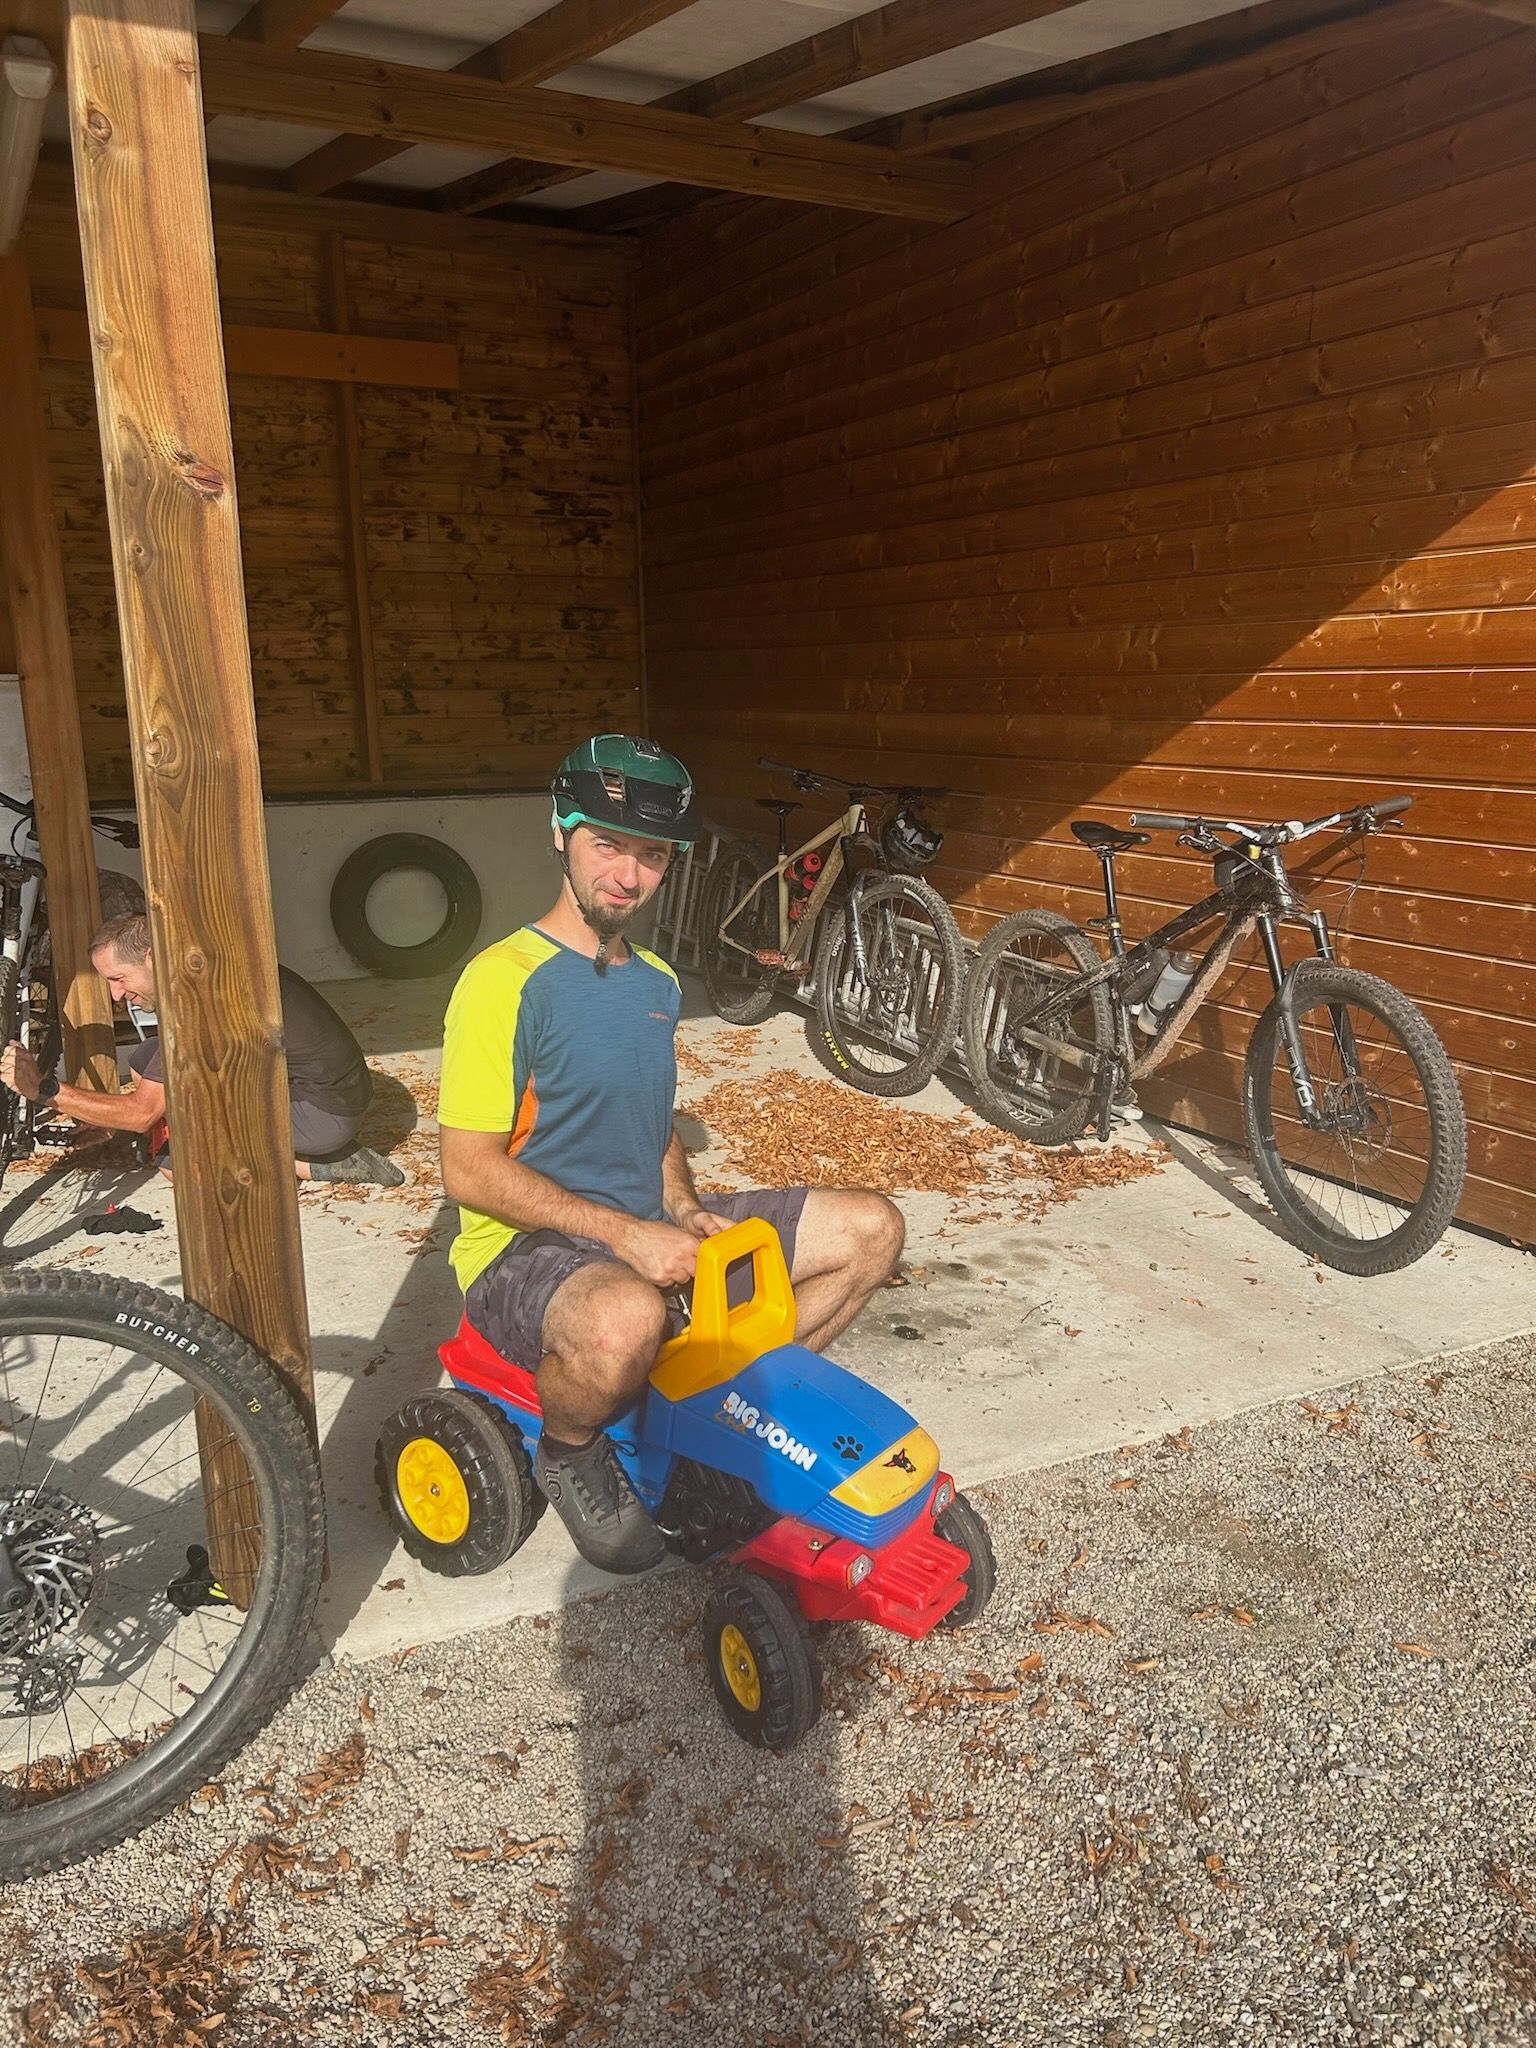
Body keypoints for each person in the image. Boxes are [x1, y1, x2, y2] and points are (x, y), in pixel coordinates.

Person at [438, 734, 905, 1578]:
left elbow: (650, 1127)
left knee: (872, 1229)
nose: (628, 875)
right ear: (560, 832)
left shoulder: (656, 981)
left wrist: (683, 1208)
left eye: (651, 855)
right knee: (624, 1319)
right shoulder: (501, 980)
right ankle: (571, 1448)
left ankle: (722, 1410)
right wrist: (626, 1236)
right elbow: (467, 1169)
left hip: (648, 1225)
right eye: (606, 844)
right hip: (524, 1248)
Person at [0, 911, 402, 1186]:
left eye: (119, 978)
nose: (116, 995)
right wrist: (113, 1121)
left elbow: (141, 1114)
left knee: (178, 1165)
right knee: (144, 1058)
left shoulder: (196, 1003)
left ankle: (320, 1164)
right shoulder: (199, 973)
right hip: (304, 1084)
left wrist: (43, 1090)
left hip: (323, 1112)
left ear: (151, 957)